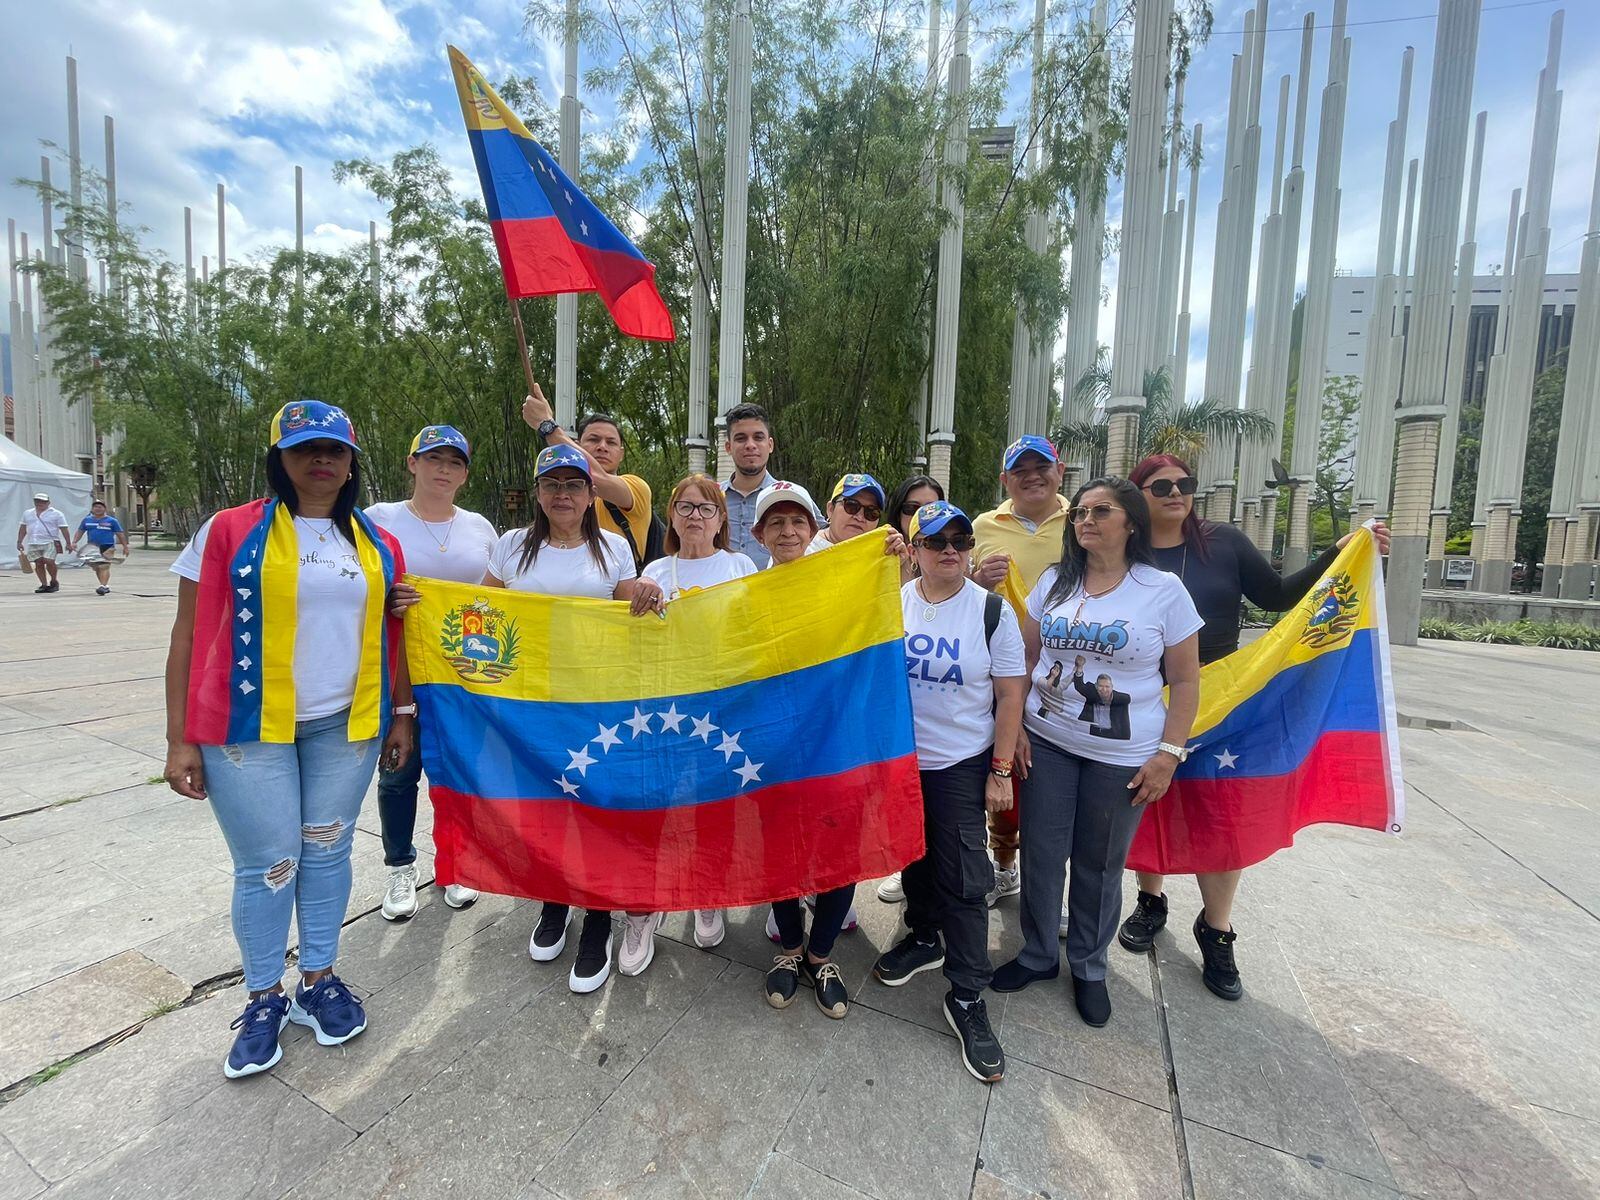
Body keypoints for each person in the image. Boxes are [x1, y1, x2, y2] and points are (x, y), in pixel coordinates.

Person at [162, 400, 414, 1079]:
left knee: (327, 852)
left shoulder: (375, 543)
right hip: (247, 726)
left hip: (347, 723)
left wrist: (402, 712)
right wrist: (179, 737)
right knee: (270, 864)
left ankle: (320, 979)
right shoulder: (227, 531)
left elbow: (395, 634)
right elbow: (187, 634)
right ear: (280, 458)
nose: (321, 459)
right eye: (305, 449)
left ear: (352, 461)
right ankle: (264, 995)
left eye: (334, 449)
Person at [1115, 454, 1391, 1001]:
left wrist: (1336, 556)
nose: (1177, 493)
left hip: (1228, 699)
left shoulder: (1224, 542)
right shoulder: (1125, 548)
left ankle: (1216, 929)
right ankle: (1151, 901)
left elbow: (1280, 597)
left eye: (1185, 484)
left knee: (1224, 816)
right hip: (1148, 703)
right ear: (1138, 494)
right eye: (1162, 485)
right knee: (1150, 805)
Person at [991, 476, 1202, 1029]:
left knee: (1099, 862)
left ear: (1130, 521)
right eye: (1080, 512)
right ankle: (1038, 954)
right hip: (1049, 743)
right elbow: (1024, 657)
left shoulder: (1163, 591)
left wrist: (1169, 754)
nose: (1086, 520)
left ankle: (1088, 965)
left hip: (1125, 755)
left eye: (1100, 511)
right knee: (1041, 851)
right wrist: (1019, 732)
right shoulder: (1055, 581)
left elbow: (1185, 681)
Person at [483, 443, 664, 994]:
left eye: (574, 485)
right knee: (547, 807)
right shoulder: (511, 546)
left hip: (596, 697)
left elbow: (624, 603)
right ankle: (556, 900)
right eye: (552, 485)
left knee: (596, 808)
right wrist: (419, 604)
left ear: (591, 495)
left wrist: (648, 591)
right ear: (538, 493)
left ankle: (599, 920)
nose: (563, 495)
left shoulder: (612, 546)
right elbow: (479, 611)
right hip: (530, 701)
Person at [871, 502, 1026, 1081]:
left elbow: (1010, 695)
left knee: (965, 874)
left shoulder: (990, 612)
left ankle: (966, 993)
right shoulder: (893, 604)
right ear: (913, 549)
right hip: (900, 760)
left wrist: (1001, 769)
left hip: (962, 761)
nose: (950, 550)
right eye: (935, 541)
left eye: (960, 540)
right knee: (912, 854)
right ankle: (923, 934)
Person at [619, 475, 759, 974]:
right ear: (672, 517)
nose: (695, 515)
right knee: (651, 808)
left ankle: (708, 892)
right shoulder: (655, 568)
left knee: (710, 809)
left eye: (707, 507)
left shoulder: (741, 565)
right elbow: (629, 639)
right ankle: (642, 908)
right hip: (662, 708)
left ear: (722, 519)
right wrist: (640, 596)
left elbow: (758, 627)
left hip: (722, 709)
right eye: (685, 506)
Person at [365, 425, 499, 922]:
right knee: (400, 771)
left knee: (457, 770)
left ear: (465, 473)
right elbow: (353, 583)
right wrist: (386, 600)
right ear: (412, 462)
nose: (444, 469)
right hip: (398, 668)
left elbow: (495, 598)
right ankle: (400, 865)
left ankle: (455, 863)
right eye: (434, 459)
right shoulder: (378, 520)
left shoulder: (480, 528)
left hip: (463, 673)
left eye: (455, 462)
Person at [750, 480, 864, 1018]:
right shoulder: (747, 594)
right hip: (773, 743)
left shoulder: (843, 579)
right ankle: (790, 950)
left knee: (840, 845)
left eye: (798, 521)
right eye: (776, 522)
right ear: (759, 534)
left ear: (815, 529)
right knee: (779, 848)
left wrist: (895, 560)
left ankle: (822, 955)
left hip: (836, 739)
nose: (788, 530)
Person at [971, 436, 1071, 906]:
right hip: (1002, 667)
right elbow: (962, 594)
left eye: (1042, 467)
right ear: (1004, 479)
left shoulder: (1082, 523)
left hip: (1068, 673)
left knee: (1054, 781)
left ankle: (1052, 886)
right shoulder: (983, 525)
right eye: (1021, 469)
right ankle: (1005, 864)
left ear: (1060, 471)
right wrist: (978, 580)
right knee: (1004, 765)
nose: (1032, 476)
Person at [875, 473, 945, 903]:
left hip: (941, 718)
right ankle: (907, 865)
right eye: (911, 508)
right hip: (890, 703)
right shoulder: (877, 552)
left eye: (931, 507)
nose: (921, 516)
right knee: (897, 795)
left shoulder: (953, 560)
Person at [521, 386, 658, 569]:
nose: (602, 447)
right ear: (578, 446)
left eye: (611, 442)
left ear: (622, 453)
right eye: (594, 440)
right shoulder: (514, 542)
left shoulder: (636, 488)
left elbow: (597, 477)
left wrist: (546, 425)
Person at [719, 403, 777, 568]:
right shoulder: (710, 499)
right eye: (741, 438)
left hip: (773, 592)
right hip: (719, 592)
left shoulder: (790, 496)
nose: (750, 445)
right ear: (728, 447)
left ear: (770, 445)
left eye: (758, 437)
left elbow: (825, 540)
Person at [809, 473, 888, 554]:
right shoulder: (802, 551)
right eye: (851, 506)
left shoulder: (882, 556)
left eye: (871, 513)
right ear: (831, 509)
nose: (860, 518)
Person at [71, 499, 130, 595]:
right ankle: (104, 586)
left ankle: (103, 585)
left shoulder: (112, 521)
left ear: (105, 509)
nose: (97, 509)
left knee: (104, 566)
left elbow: (120, 534)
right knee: (97, 567)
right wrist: (74, 542)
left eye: (100, 507)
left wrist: (125, 546)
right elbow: (80, 531)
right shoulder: (87, 520)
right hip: (93, 547)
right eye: (95, 507)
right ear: (92, 509)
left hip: (108, 546)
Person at [18, 492, 70, 593]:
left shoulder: (56, 513)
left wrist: (68, 543)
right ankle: (44, 584)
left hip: (50, 541)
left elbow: (64, 528)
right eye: (37, 501)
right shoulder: (28, 513)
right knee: (38, 563)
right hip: (34, 541)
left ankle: (54, 580)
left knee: (49, 560)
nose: (40, 503)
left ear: (48, 502)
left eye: (43, 501)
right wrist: (19, 541)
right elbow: (23, 527)